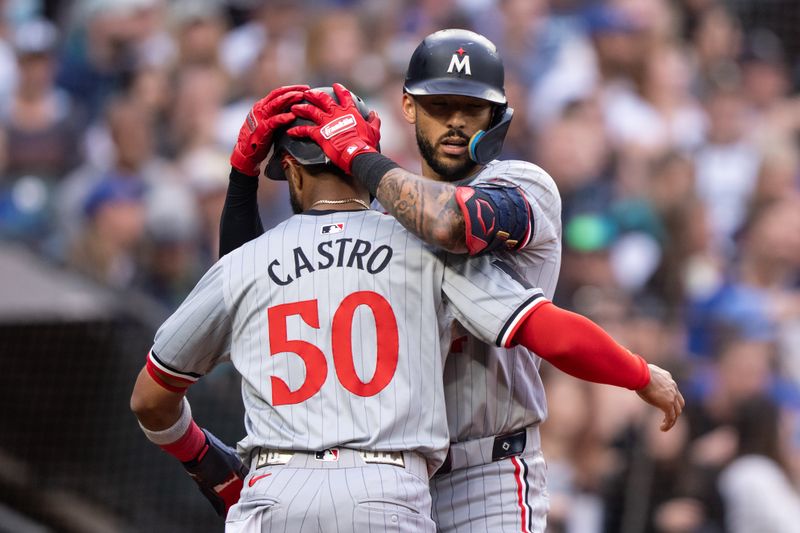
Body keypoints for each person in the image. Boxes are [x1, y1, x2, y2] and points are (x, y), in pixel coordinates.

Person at [132, 87, 682, 531]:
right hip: (386, 491)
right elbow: (545, 329)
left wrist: (208, 462)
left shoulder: (246, 263)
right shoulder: (420, 244)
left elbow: (152, 397)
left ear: (292, 172)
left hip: (274, 491)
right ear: (366, 160)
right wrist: (637, 373)